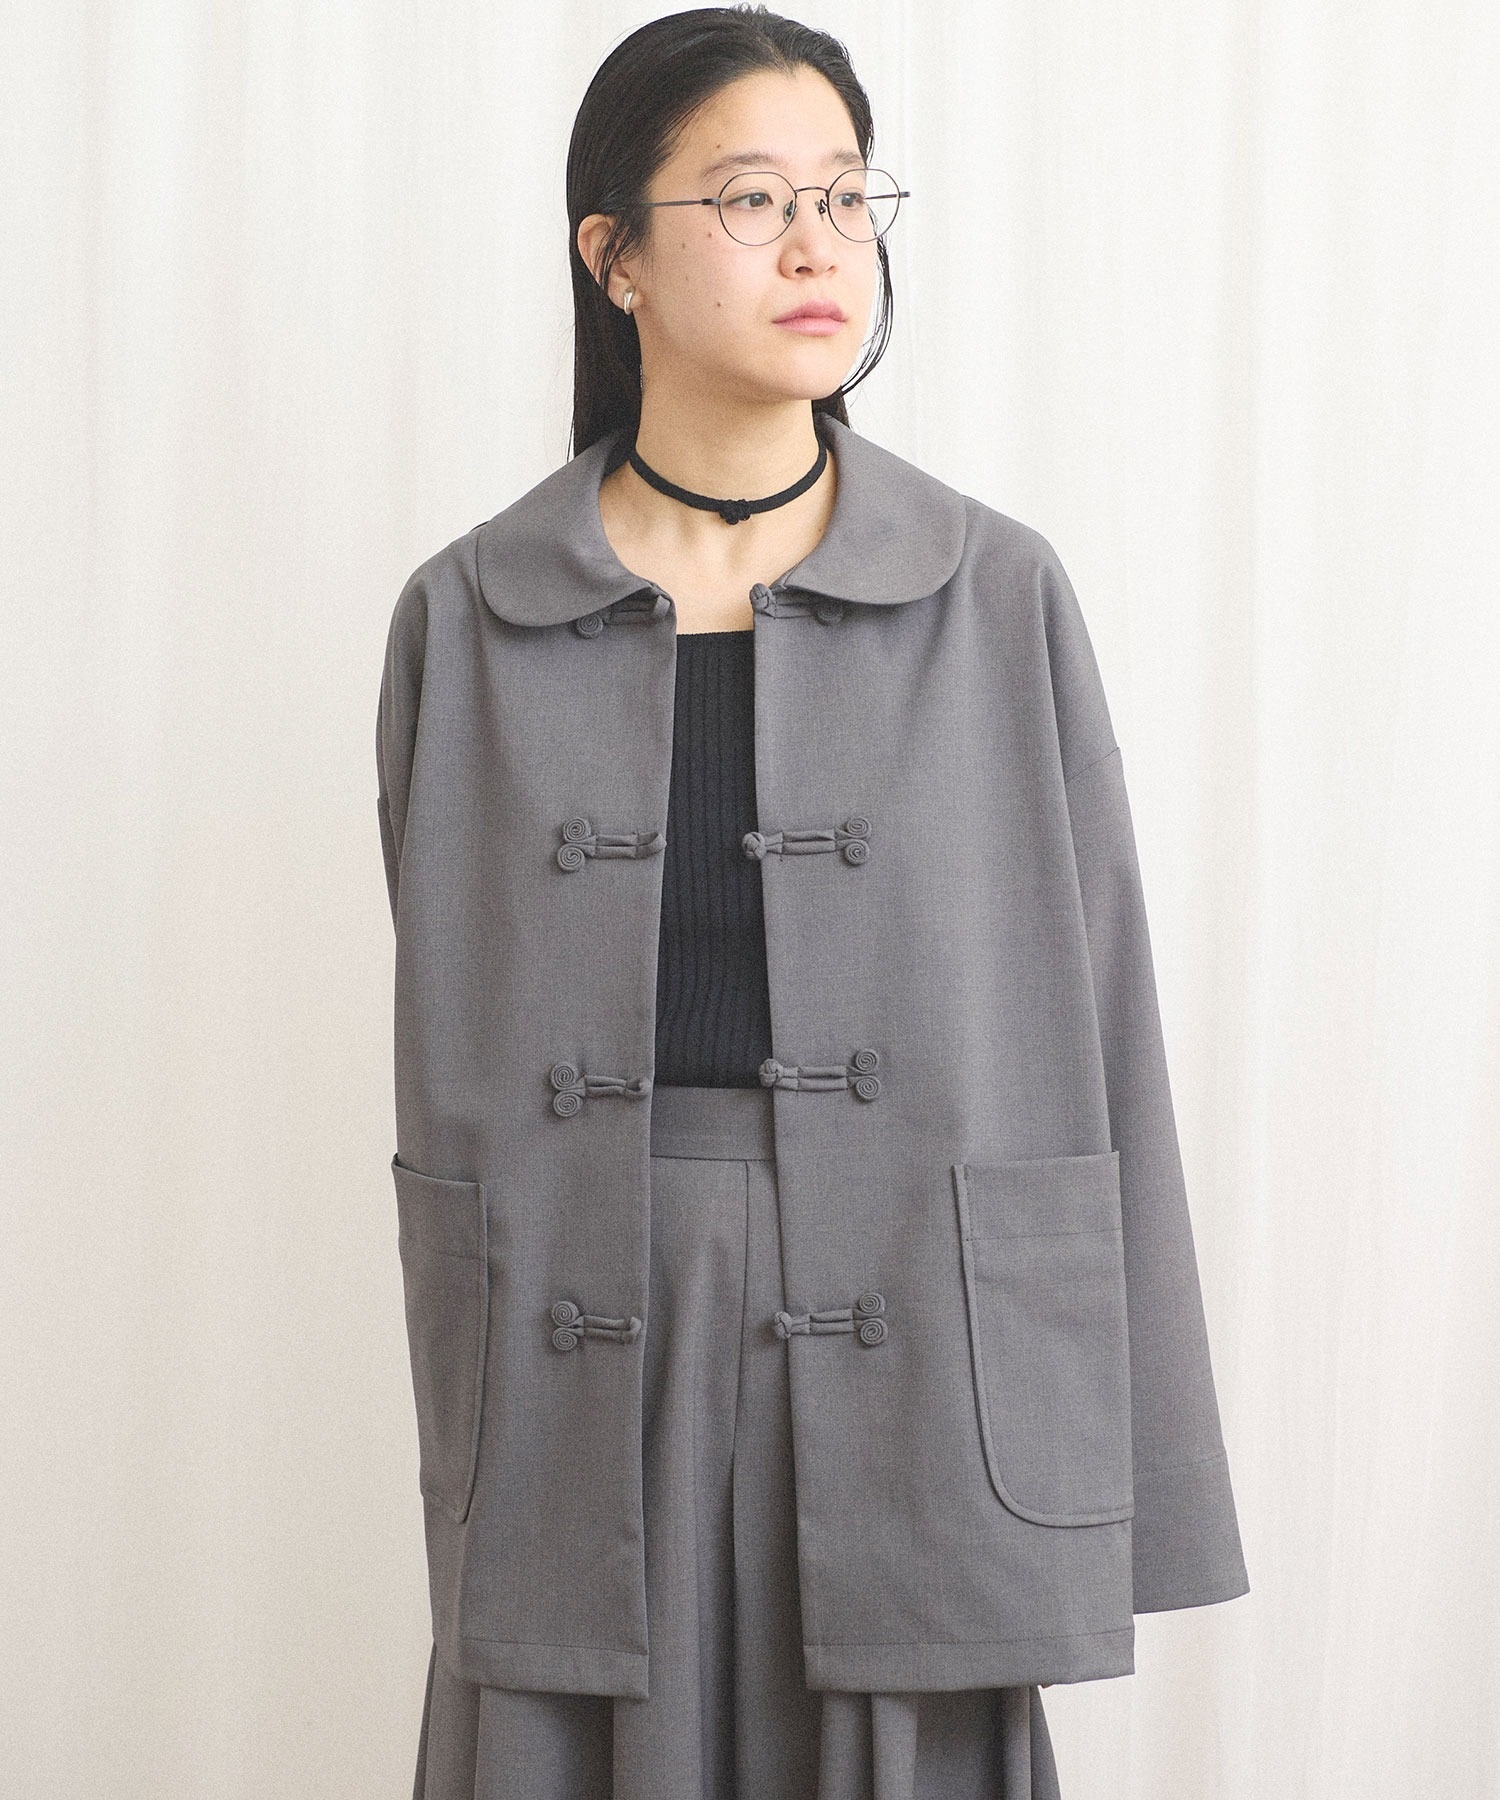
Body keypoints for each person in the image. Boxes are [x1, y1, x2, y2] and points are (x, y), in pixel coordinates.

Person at [379, 8, 1248, 1798]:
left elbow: (1102, 1029)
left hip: (920, 1326)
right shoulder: (467, 620)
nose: (815, 246)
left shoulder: (994, 597)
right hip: (582, 1323)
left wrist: (1135, 1475)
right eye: (752, 197)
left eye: (848, 199)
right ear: (612, 254)